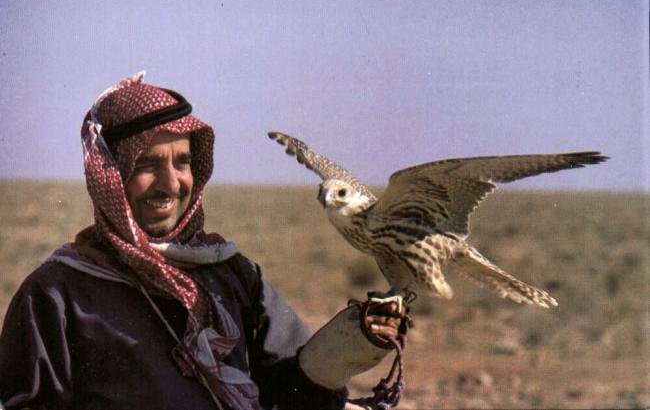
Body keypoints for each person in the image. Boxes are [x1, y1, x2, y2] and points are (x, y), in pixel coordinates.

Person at [0, 73, 405, 410]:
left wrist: (351, 343)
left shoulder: (231, 275)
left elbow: (291, 392)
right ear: (111, 176)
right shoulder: (56, 295)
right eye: (146, 165)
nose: (170, 184)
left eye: (182, 161)